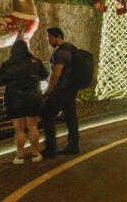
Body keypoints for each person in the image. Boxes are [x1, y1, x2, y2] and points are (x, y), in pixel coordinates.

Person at [0, 39, 48, 164]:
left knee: (19, 129)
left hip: (14, 101)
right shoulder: (36, 62)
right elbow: (44, 75)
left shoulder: (7, 65)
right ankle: (35, 154)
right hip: (33, 98)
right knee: (33, 127)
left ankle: (20, 156)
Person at [41, 27, 80, 157]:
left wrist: (48, 91)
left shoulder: (60, 53)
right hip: (71, 89)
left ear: (58, 37)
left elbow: (56, 74)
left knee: (47, 116)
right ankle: (73, 146)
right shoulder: (73, 49)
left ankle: (51, 149)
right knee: (71, 117)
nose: (49, 41)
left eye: (50, 38)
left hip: (61, 89)